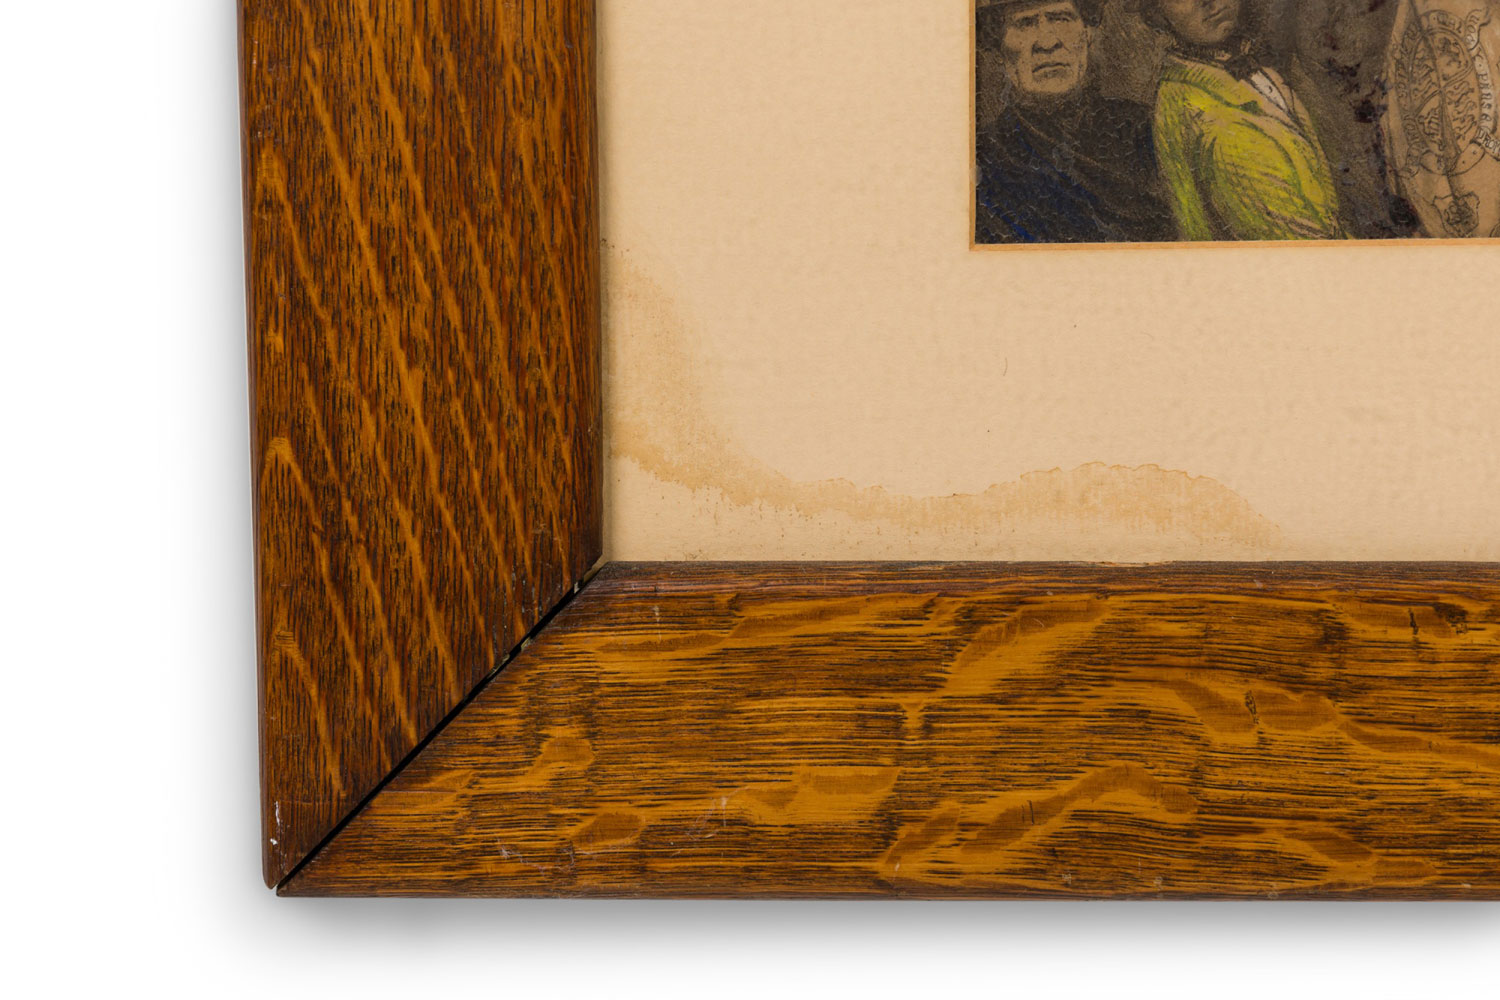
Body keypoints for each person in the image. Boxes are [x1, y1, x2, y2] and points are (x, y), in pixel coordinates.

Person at [1139, 0, 1348, 240]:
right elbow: (1306, 246)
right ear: (1155, 11)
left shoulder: (1238, 64)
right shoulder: (1221, 129)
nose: (1208, 2)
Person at [975, 0, 1175, 243]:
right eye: (1025, 24)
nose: (1047, 43)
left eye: (1061, 18)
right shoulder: (985, 156)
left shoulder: (1146, 128)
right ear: (998, 47)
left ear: (1088, 33)